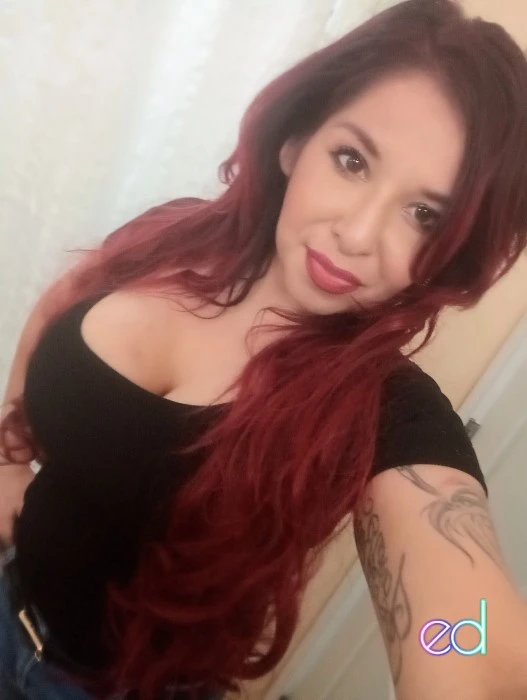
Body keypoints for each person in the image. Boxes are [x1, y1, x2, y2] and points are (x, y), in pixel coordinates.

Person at [2, 0, 527, 698]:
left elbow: (472, 640)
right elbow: (62, 303)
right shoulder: (174, 236)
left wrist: (463, 645)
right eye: (351, 160)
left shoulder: (383, 409)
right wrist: (9, 457)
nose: (358, 233)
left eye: (424, 215)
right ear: (295, 142)